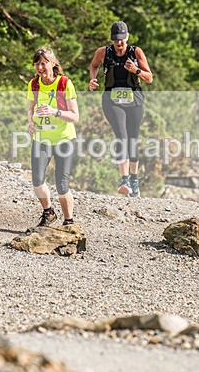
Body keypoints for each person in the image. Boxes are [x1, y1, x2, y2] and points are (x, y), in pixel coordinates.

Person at [88, 20, 153, 197]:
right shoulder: (103, 52)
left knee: (132, 140)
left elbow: (149, 78)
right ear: (112, 39)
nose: (119, 43)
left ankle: (134, 179)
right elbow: (94, 66)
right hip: (112, 100)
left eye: (122, 39)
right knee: (121, 137)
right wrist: (92, 79)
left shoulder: (136, 52)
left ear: (127, 37)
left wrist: (136, 70)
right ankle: (124, 180)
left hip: (134, 100)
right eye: (116, 39)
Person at [26, 47, 80, 228]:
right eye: (37, 64)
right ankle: (48, 212)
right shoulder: (34, 84)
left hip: (64, 139)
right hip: (41, 138)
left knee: (62, 184)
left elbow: (75, 116)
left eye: (44, 63)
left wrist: (54, 111)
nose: (40, 67)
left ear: (53, 63)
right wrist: (30, 122)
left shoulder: (64, 83)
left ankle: (69, 222)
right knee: (37, 180)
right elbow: (31, 108)